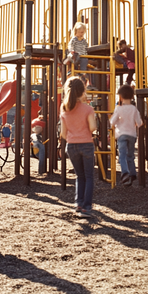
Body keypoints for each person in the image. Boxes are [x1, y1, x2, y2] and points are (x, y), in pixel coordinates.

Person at [60, 76, 97, 218]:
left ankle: (79, 203)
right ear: (83, 92)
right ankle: (87, 208)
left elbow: (63, 133)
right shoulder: (88, 109)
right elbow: (92, 128)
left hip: (71, 145)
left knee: (79, 176)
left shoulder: (64, 109)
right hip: (86, 144)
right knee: (89, 177)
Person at [110, 84, 143, 186]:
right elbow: (140, 123)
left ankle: (125, 173)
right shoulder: (134, 109)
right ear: (132, 96)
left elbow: (112, 122)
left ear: (120, 96)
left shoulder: (118, 109)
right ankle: (133, 173)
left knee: (122, 156)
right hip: (132, 135)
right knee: (130, 156)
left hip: (122, 135)